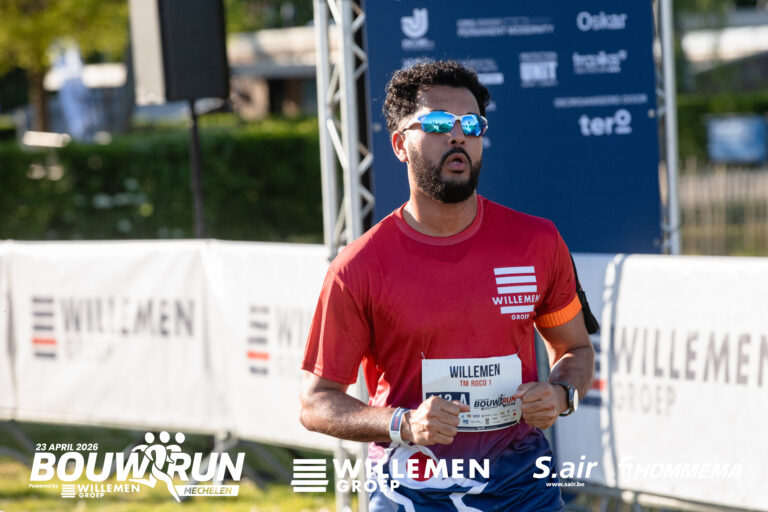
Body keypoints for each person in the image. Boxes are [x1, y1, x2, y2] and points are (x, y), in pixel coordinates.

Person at [300, 60, 595, 511]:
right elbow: (315, 402)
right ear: (400, 144)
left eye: (471, 125)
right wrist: (403, 423)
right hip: (410, 493)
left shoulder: (538, 241)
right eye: (438, 123)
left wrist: (560, 395)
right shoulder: (358, 267)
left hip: (522, 490)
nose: (458, 136)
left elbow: (575, 349)